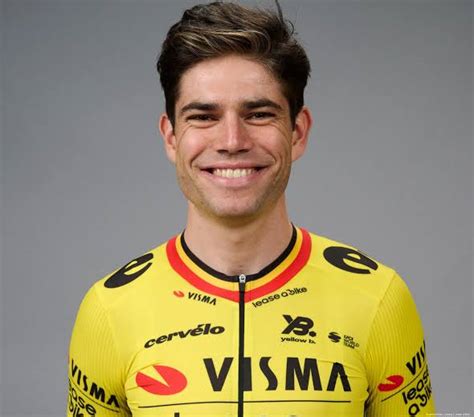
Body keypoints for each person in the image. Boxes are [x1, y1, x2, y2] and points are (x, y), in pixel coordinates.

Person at [66, 2, 436, 416]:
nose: (232, 141)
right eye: (203, 116)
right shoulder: (109, 310)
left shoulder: (379, 298)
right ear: (171, 137)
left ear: (297, 132)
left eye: (258, 114)